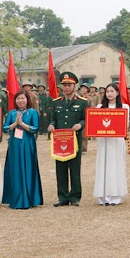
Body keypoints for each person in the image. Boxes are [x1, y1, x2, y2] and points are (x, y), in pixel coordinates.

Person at [48, 72, 89, 207]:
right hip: (59, 141)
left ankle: (75, 196)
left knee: (75, 169)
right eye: (64, 85)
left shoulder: (82, 103)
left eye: (69, 85)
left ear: (74, 86)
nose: (67, 88)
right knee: (60, 169)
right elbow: (53, 118)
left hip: (74, 140)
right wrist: (51, 125)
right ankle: (63, 197)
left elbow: (86, 118)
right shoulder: (56, 103)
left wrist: (80, 125)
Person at [2, 91, 43, 209]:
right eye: (18, 98)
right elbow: (5, 128)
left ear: (27, 100)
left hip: (28, 143)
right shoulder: (11, 113)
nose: (20, 101)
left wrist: (23, 124)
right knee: (15, 169)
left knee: (29, 168)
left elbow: (35, 128)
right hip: (15, 144)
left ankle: (30, 198)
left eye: (23, 98)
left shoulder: (32, 112)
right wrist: (15, 123)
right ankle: (16, 197)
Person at [93, 83, 130, 206]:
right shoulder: (99, 107)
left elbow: (126, 125)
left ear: (117, 93)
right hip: (103, 141)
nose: (109, 93)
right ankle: (103, 196)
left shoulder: (124, 107)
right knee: (104, 165)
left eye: (112, 91)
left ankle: (116, 195)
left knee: (116, 166)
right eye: (107, 91)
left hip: (117, 141)